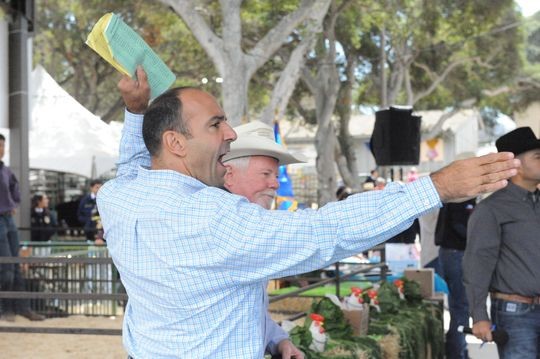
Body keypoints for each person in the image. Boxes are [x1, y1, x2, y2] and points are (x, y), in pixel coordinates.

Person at [97, 67, 518, 358]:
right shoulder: (211, 218)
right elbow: (323, 232)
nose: (229, 134)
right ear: (175, 142)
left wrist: (136, 113)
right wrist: (435, 187)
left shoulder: (119, 196)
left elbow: (135, 164)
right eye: (215, 124)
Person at [222, 120, 305, 359]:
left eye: (276, 175)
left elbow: (248, 311)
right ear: (229, 175)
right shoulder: (227, 228)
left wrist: (278, 340)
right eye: (266, 174)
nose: (276, 183)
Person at [463, 127, 540, 359]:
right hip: (516, 314)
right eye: (538, 157)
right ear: (514, 164)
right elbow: (477, 264)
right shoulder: (491, 209)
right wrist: (479, 316)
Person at [0, 134, 45, 321]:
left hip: (8, 218)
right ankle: (5, 309)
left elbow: (15, 189)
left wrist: (13, 205)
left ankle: (21, 308)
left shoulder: (6, 170)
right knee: (6, 266)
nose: (1, 149)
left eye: (2, 145)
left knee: (16, 264)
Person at [435, 198, 476, 359]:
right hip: (456, 253)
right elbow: (458, 225)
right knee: (461, 305)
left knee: (459, 305)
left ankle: (458, 348)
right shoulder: (460, 199)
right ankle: (457, 351)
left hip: (453, 253)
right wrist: (477, 240)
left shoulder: (459, 198)